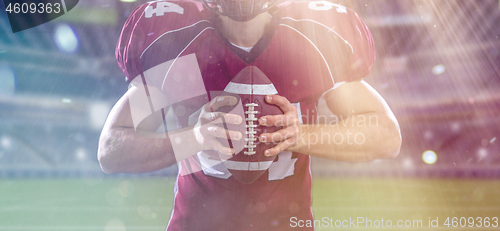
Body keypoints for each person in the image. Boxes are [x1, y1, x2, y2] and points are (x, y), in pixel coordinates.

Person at [98, 0, 402, 230]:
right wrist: (193, 138)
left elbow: (387, 136)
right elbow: (111, 150)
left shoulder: (311, 41)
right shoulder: (181, 45)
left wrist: (301, 135)